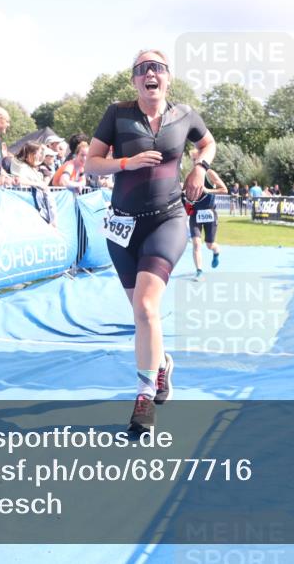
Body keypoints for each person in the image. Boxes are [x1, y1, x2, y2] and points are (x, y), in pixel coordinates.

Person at [84, 48, 215, 435]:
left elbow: (207, 143)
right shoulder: (117, 114)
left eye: (156, 67)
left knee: (145, 307)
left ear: (168, 77)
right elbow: (91, 163)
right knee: (144, 316)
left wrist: (199, 168)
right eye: (141, 69)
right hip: (122, 227)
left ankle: (143, 397)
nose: (149, 73)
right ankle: (161, 365)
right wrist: (126, 163)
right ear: (134, 81)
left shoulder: (184, 114)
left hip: (167, 220)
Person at [186, 148, 228, 280]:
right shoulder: (190, 175)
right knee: (196, 243)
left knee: (210, 245)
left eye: (196, 159)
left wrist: (207, 190)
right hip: (195, 213)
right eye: (193, 160)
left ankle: (216, 251)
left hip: (210, 213)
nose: (194, 162)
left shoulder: (210, 173)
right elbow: (184, 192)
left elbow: (224, 190)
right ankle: (199, 271)